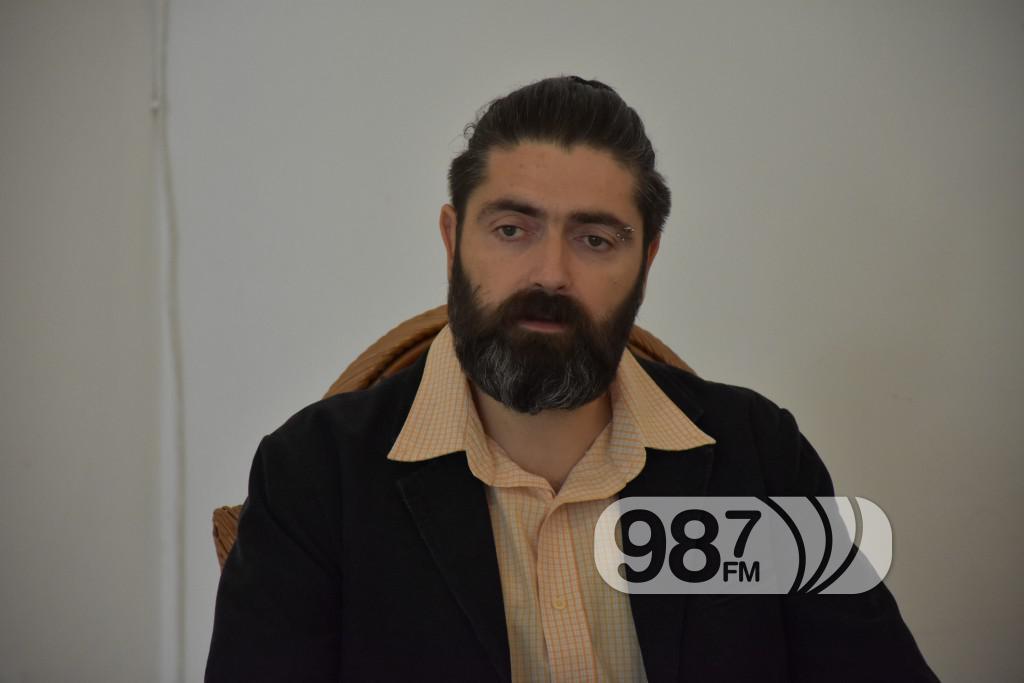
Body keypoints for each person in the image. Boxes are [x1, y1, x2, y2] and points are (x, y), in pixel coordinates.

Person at [206, 75, 938, 682]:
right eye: (511, 229)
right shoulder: (315, 475)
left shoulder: (758, 455)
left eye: (595, 238)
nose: (551, 273)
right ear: (453, 240)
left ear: (646, 260)